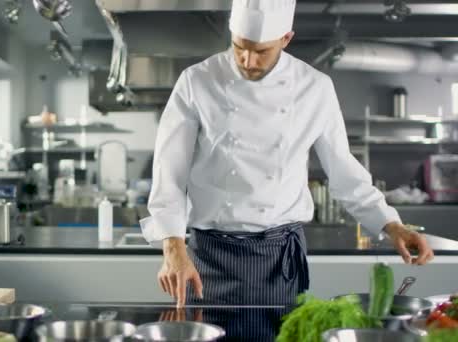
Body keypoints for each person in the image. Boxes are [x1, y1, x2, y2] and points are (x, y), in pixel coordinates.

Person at [140, 0, 434, 308]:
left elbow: (344, 171)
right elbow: (169, 170)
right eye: (240, 46)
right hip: (211, 253)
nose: (248, 60)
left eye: (261, 51)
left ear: (286, 39)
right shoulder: (197, 80)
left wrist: (392, 224)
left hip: (280, 255)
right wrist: (173, 247)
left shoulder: (314, 88)